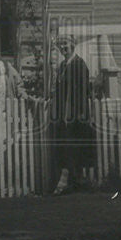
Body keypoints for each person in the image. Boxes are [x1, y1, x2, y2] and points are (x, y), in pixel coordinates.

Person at [49, 36, 95, 194]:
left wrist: (79, 113)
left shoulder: (79, 64)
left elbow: (83, 91)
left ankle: (72, 183)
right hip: (64, 114)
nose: (63, 47)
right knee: (67, 148)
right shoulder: (62, 66)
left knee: (75, 147)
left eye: (65, 44)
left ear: (73, 45)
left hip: (76, 113)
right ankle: (72, 183)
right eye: (60, 45)